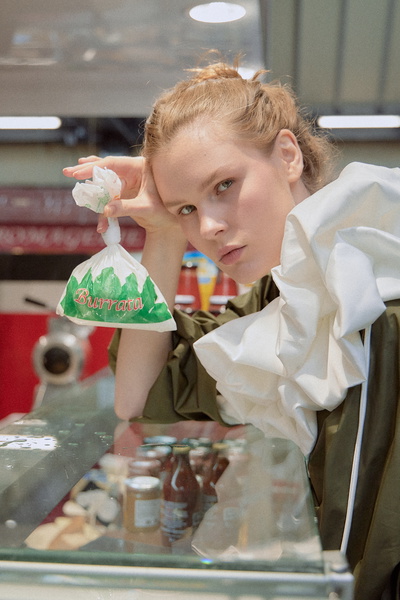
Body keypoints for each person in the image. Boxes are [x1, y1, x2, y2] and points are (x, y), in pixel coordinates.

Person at [64, 60, 400, 600]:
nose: (209, 227)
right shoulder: (279, 299)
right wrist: (163, 232)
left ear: (288, 155)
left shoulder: (380, 283)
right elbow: (139, 395)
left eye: (224, 185)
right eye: (188, 208)